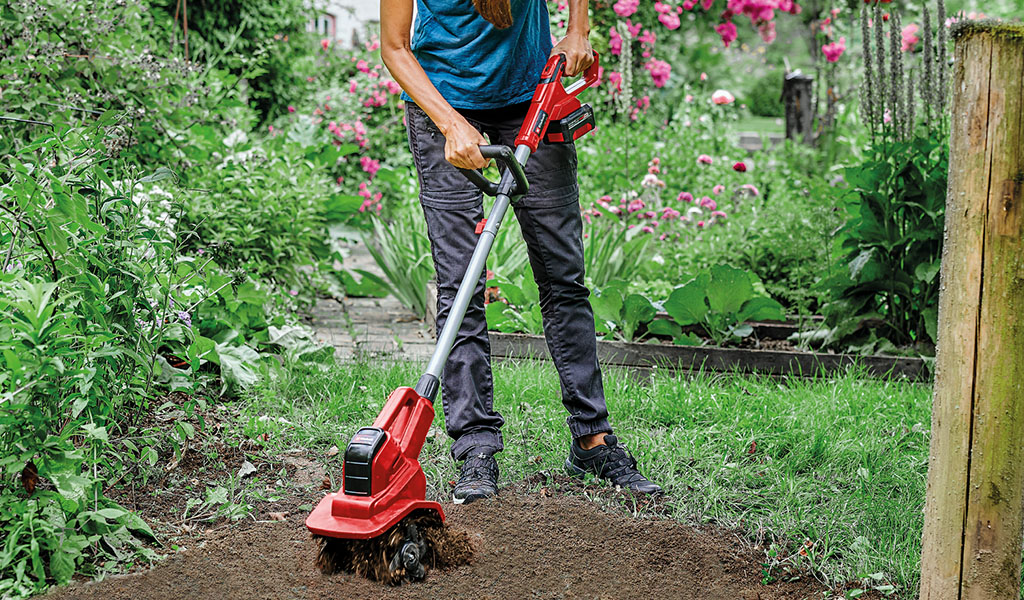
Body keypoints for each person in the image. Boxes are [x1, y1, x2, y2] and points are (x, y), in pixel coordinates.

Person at [380, 0, 661, 504]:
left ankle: (592, 439)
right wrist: (450, 124)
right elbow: (395, 47)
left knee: (562, 274)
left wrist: (578, 30)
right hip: (443, 100)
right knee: (460, 283)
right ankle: (475, 446)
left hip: (532, 94)